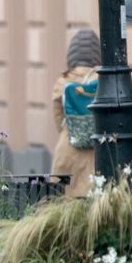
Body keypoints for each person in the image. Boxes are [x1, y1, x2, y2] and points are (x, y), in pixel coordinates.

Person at [50, 29, 101, 198]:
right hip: (96, 148)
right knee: (93, 195)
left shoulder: (63, 81)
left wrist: (68, 130)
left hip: (69, 145)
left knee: (65, 197)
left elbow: (58, 115)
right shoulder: (102, 79)